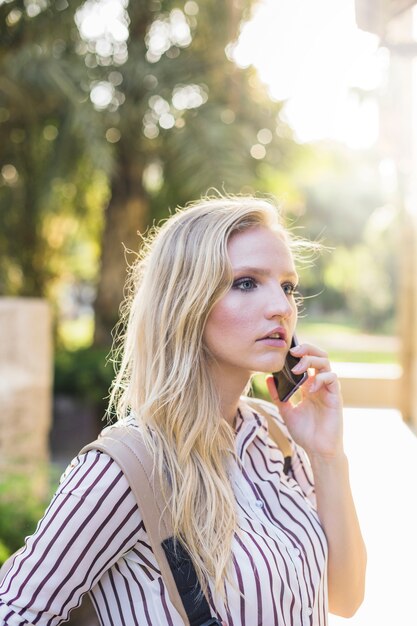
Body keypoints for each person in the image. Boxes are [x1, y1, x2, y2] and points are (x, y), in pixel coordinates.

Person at [0, 196, 366, 625]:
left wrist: (327, 454)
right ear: (185, 302)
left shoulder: (275, 437)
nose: (282, 307)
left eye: (287, 286)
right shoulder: (125, 469)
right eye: (247, 282)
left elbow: (345, 596)